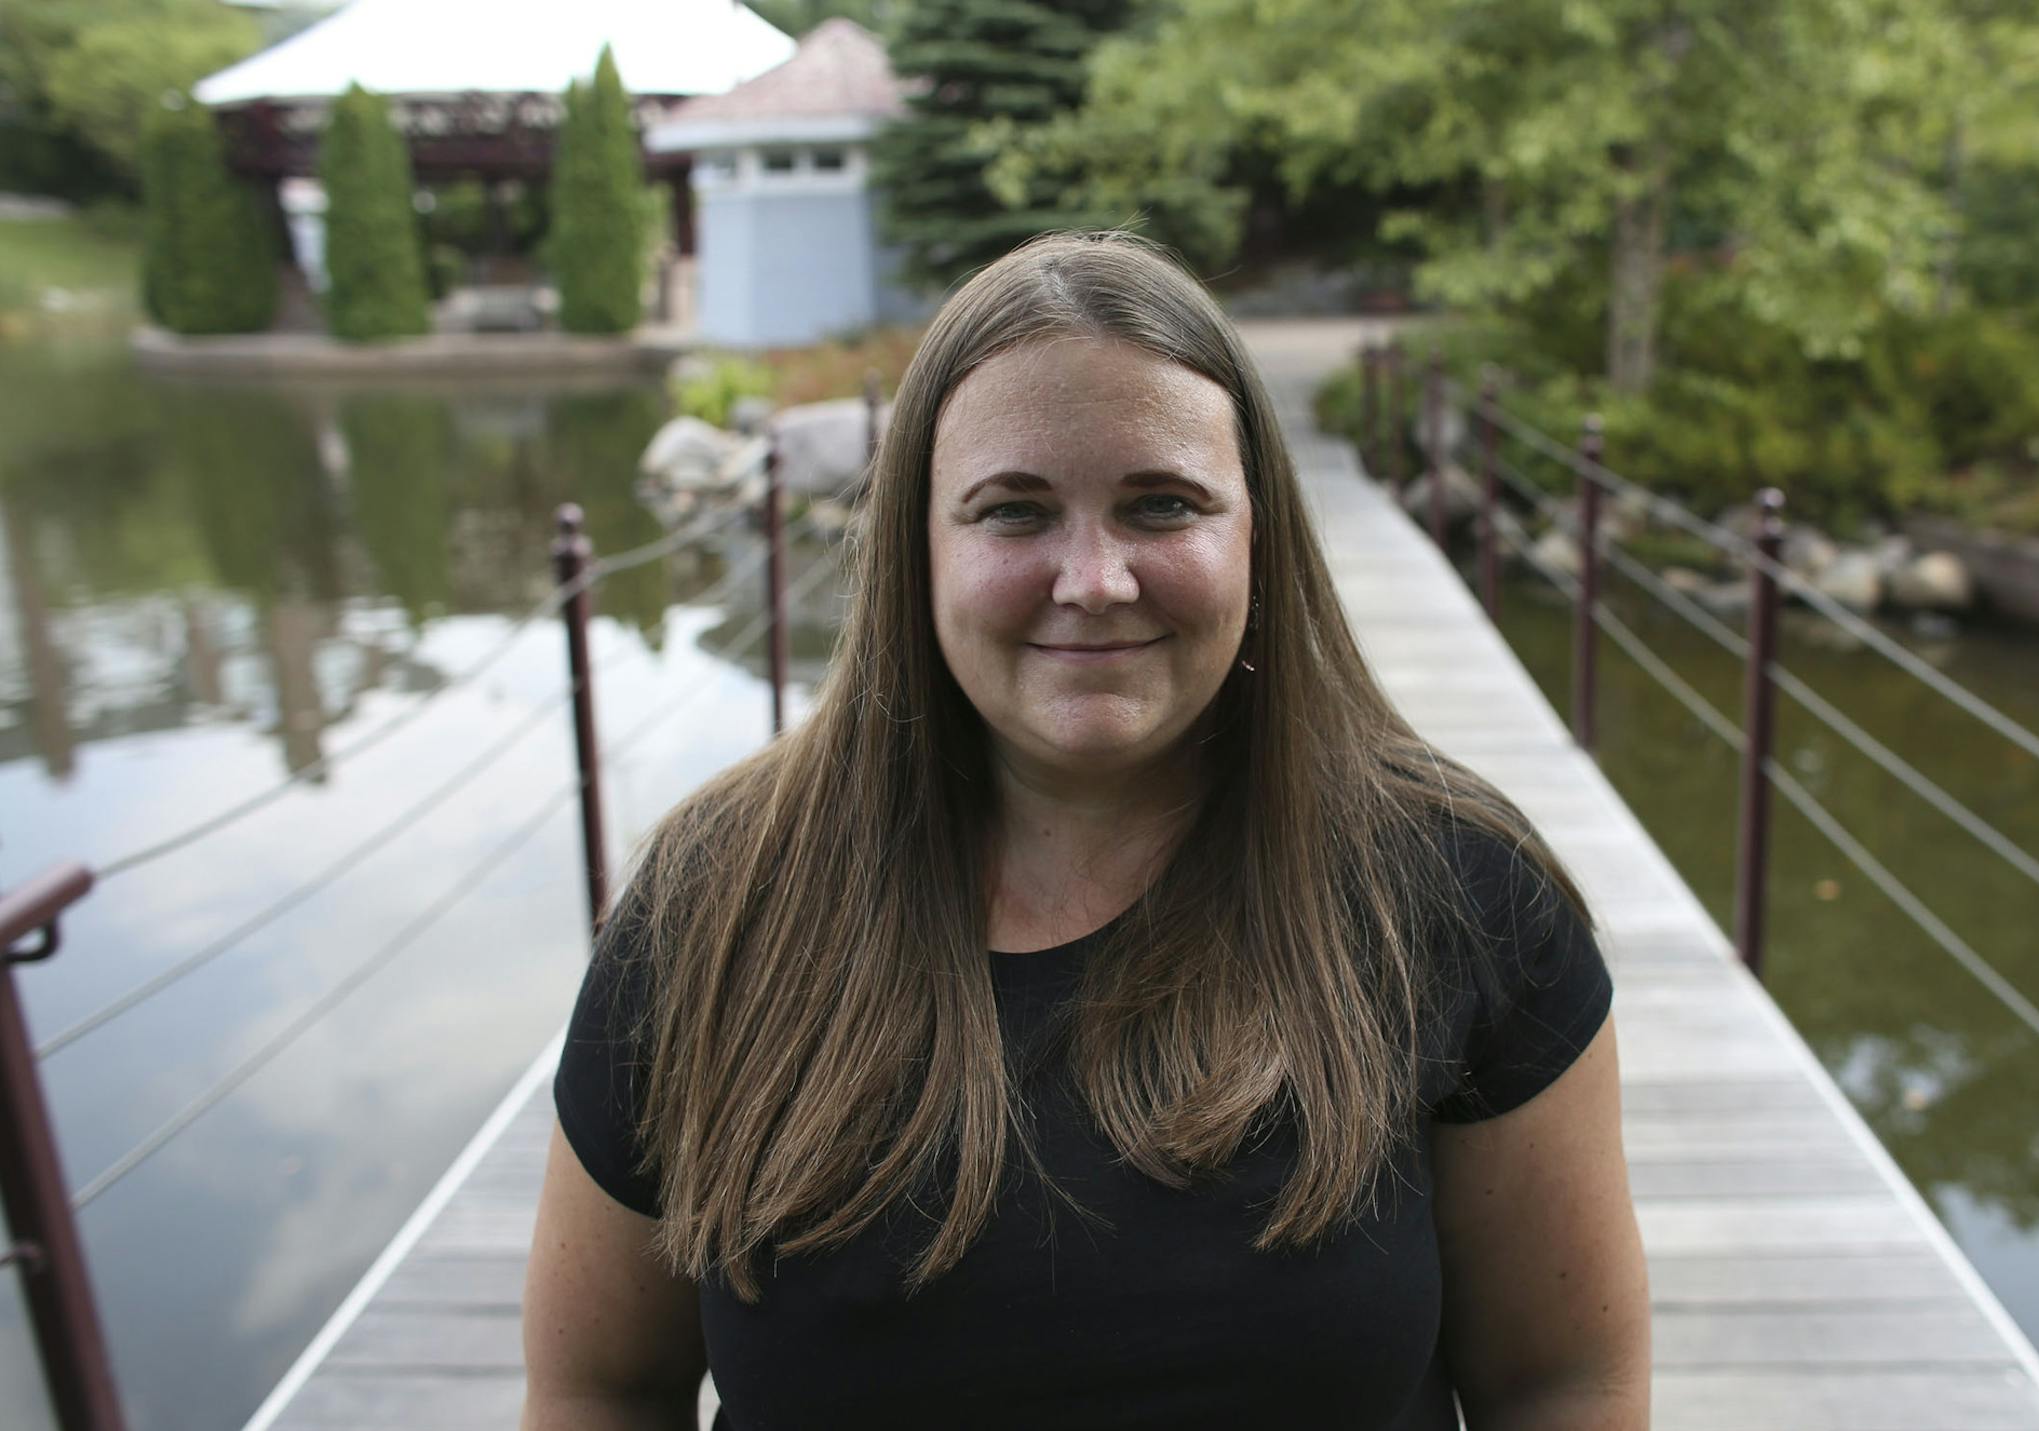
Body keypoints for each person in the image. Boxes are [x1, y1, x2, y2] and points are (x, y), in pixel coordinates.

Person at [522, 231, 1649, 1430]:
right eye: (1014, 514)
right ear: (917, 547)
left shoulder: (1462, 892)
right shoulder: (716, 906)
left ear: (1258, 536)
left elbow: (1561, 1382)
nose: (1095, 579)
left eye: (1162, 504)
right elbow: (602, 1387)